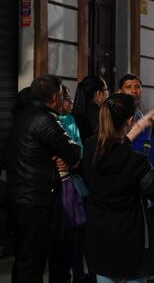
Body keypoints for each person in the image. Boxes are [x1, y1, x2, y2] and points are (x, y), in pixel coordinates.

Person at [82, 93, 154, 283]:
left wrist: (140, 126)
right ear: (129, 120)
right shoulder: (137, 163)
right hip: (130, 240)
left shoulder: (91, 147)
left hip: (99, 235)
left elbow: (116, 147)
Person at [6, 75, 82, 283]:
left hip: (19, 197)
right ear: (55, 97)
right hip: (36, 201)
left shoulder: (21, 117)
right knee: (32, 261)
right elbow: (73, 152)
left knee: (24, 259)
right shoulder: (46, 119)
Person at [48, 84, 88, 283]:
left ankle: (77, 273)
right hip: (56, 184)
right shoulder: (50, 121)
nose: (70, 103)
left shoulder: (70, 120)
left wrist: (71, 159)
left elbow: (78, 150)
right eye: (67, 99)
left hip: (69, 181)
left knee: (74, 231)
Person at [118, 74, 154, 171]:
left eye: (137, 87)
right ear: (120, 91)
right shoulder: (118, 114)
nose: (134, 91)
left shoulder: (140, 114)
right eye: (129, 87)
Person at [73, 75, 109, 144]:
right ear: (99, 93)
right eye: (106, 89)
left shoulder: (75, 112)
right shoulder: (100, 115)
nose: (108, 93)